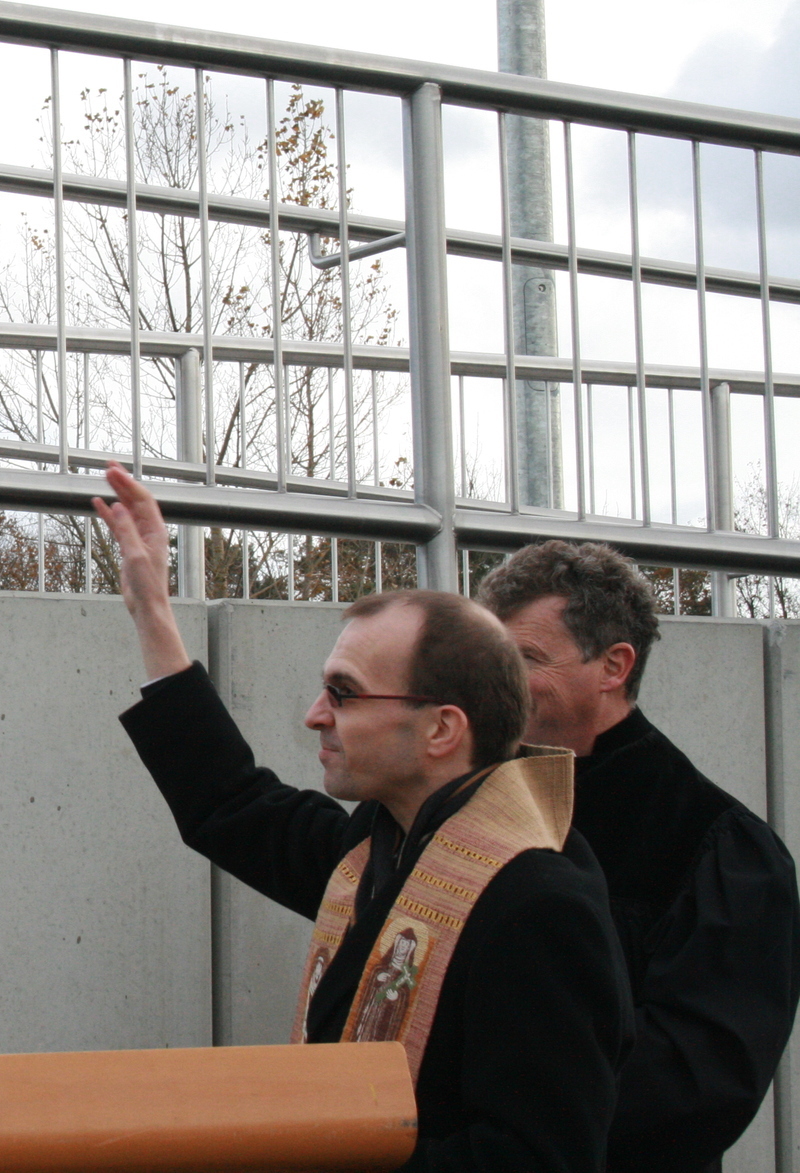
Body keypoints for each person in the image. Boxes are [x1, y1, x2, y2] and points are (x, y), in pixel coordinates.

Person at [93, 464, 632, 1173]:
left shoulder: (536, 905)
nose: (315, 715)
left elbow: (535, 1157)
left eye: (344, 693)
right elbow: (233, 805)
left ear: (442, 729)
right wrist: (152, 612)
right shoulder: (380, 847)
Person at [478, 542, 800, 1173]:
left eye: (523, 659)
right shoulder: (467, 802)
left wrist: (487, 1126)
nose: (495, 685)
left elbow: (695, 1086)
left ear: (614, 665)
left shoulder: (719, 849)